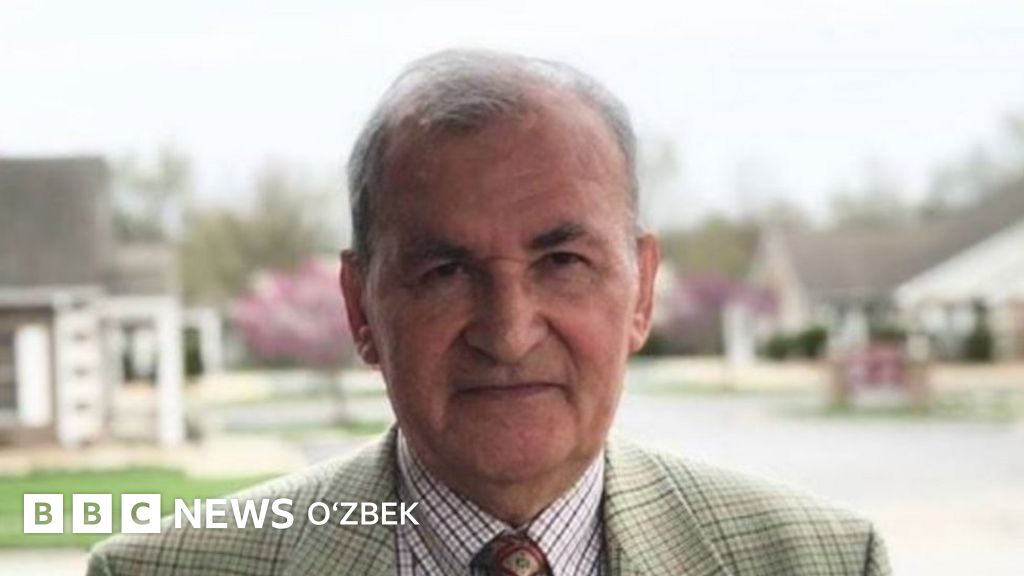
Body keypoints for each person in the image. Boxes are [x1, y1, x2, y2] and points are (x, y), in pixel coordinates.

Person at [88, 49, 891, 576]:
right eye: (445, 272)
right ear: (360, 309)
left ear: (642, 292)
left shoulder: (821, 563)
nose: (508, 334)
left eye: (562, 263)